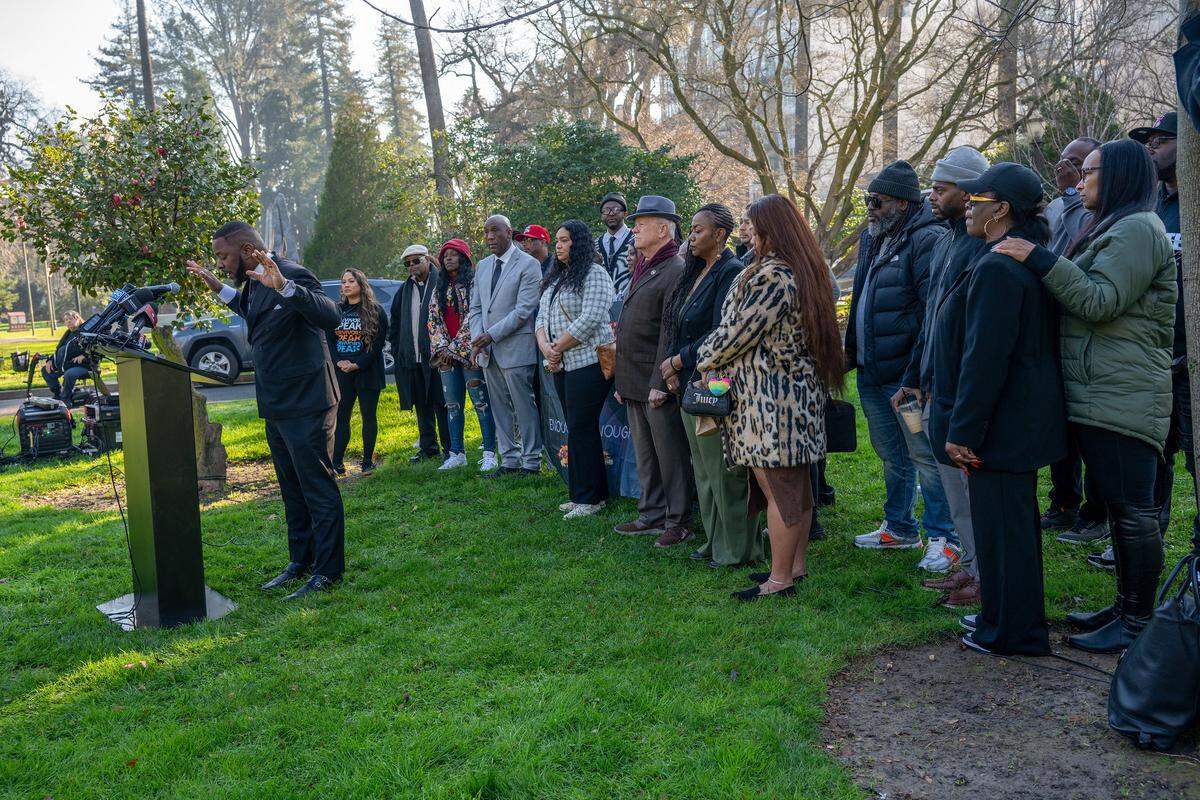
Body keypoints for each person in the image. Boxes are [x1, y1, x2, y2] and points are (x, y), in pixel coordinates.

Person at [993, 139, 1176, 654]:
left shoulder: (1140, 229)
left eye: (1091, 172)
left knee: (1133, 511)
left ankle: (1138, 622)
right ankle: (1124, 608)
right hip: (1102, 391)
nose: (1079, 181)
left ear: (1117, 177)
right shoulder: (1116, 226)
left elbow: (1099, 301)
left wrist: (1039, 258)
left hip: (1124, 394)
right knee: (1120, 509)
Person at [928, 163, 1067, 656]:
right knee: (1005, 530)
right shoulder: (1003, 259)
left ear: (1002, 209)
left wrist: (963, 430)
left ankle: (1012, 632)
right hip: (1011, 424)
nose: (967, 203)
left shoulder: (998, 267)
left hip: (1002, 428)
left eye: (977, 198)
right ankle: (1003, 620)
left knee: (1005, 533)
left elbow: (985, 357)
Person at [186, 221, 344, 600]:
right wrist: (216, 285)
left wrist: (287, 289)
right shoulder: (253, 282)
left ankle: (328, 571)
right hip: (276, 405)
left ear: (244, 250)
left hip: (307, 401)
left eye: (223, 256)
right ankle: (300, 560)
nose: (221, 263)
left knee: (317, 488)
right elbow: (251, 310)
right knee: (291, 488)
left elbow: (331, 315)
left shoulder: (289, 274)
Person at [696, 194, 843, 599]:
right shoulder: (797, 269)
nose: (744, 230)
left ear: (771, 229)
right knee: (796, 488)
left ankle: (779, 581)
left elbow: (737, 333)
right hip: (788, 395)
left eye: (750, 224)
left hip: (770, 400)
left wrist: (702, 357)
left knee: (781, 490)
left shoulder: (772, 276)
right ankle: (794, 568)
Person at [893, 146, 990, 602]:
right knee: (954, 491)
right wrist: (915, 374)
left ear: (970, 192)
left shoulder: (978, 244)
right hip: (933, 386)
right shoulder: (950, 239)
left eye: (942, 188)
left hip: (957, 392)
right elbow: (932, 319)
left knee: (972, 497)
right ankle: (969, 565)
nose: (932, 195)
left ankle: (983, 573)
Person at [844, 160, 952, 552]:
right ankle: (900, 527)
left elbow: (930, 314)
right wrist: (851, 355)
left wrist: (914, 377)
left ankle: (943, 535)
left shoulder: (927, 239)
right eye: (868, 200)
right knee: (891, 454)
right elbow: (861, 300)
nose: (870, 208)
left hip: (906, 377)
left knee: (924, 455)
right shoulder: (874, 237)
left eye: (878, 201)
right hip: (872, 373)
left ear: (904, 204)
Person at [659, 203, 762, 567]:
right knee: (703, 470)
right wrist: (672, 367)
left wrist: (677, 360)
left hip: (717, 382)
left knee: (725, 470)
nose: (691, 236)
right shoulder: (698, 271)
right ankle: (714, 539)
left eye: (698, 230)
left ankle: (737, 549)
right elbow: (679, 322)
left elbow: (720, 333)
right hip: (690, 381)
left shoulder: (731, 271)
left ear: (720, 235)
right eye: (691, 229)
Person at [613, 195, 696, 546]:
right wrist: (622, 378)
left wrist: (661, 381)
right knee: (645, 455)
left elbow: (668, 331)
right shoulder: (645, 265)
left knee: (670, 455)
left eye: (642, 223)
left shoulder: (674, 268)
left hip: (656, 381)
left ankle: (677, 521)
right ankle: (651, 513)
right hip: (633, 379)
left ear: (663, 229)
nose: (635, 228)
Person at [1039, 137, 1109, 546]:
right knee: (1060, 425)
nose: (1065, 170)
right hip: (1056, 326)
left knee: (1090, 432)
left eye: (1077, 165)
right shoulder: (1057, 202)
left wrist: (1068, 194)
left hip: (1089, 335)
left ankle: (1095, 512)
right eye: (1062, 161)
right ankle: (1063, 501)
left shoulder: (1098, 211)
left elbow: (1072, 240)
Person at [1131, 113, 1194, 549]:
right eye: (1147, 141)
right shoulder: (1150, 204)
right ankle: (1147, 545)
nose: (1151, 147)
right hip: (1156, 357)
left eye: (1161, 140)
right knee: (1154, 456)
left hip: (1192, 360)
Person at [537, 219, 616, 518]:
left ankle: (591, 499)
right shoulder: (557, 278)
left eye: (565, 240)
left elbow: (592, 317)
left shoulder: (595, 273)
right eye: (557, 239)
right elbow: (540, 319)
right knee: (577, 428)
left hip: (589, 362)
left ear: (579, 242)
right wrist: (547, 348)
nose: (558, 244)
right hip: (561, 365)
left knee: (582, 427)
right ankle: (582, 493)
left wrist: (556, 349)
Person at [469, 215, 544, 476]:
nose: (489, 237)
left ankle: (532, 460)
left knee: (524, 405)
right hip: (487, 350)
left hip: (516, 347)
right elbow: (476, 308)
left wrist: (490, 335)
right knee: (499, 406)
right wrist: (478, 339)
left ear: (509, 232)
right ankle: (509, 459)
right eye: (486, 232)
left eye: (495, 231)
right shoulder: (482, 266)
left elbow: (524, 310)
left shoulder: (529, 264)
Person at [428, 239, 498, 472]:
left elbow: (474, 318)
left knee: (481, 403)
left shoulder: (474, 284)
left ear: (464, 258)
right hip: (445, 356)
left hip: (470, 353)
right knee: (452, 405)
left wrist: (455, 348)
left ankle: (489, 452)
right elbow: (432, 320)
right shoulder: (439, 288)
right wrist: (443, 348)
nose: (448, 258)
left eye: (453, 254)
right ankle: (456, 452)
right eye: (445, 255)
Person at [390, 244, 451, 464]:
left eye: (416, 261)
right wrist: (398, 350)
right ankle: (428, 448)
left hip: (436, 357)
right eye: (407, 263)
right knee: (421, 404)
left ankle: (450, 448)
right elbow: (395, 322)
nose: (412, 266)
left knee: (441, 403)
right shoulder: (405, 289)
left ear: (427, 260)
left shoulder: (441, 283)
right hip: (412, 358)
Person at [328, 269, 386, 476]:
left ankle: (367, 462)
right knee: (342, 416)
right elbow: (330, 340)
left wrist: (358, 364)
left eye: (351, 281)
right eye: (343, 282)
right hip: (342, 372)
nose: (346, 285)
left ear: (361, 284)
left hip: (367, 372)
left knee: (368, 416)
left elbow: (378, 343)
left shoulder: (375, 311)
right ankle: (337, 462)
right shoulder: (336, 311)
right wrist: (339, 361)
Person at [1043, 137, 1100, 242]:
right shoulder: (1054, 206)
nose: (1064, 170)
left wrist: (1071, 191)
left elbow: (1087, 240)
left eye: (1074, 164)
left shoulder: (1108, 209)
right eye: (1061, 163)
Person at [41, 310, 96, 404]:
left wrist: (84, 355)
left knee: (69, 374)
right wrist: (50, 361)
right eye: (66, 320)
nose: (68, 321)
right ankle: (58, 394)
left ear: (77, 318)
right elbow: (59, 349)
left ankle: (65, 399)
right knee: (45, 370)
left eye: (70, 319)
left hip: (84, 366)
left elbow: (96, 347)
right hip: (66, 364)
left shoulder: (86, 332)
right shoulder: (68, 333)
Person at [597, 192, 634, 298]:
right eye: (606, 210)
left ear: (625, 213)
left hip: (628, 302)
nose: (611, 213)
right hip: (601, 304)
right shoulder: (594, 245)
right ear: (601, 215)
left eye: (616, 209)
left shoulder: (636, 239)